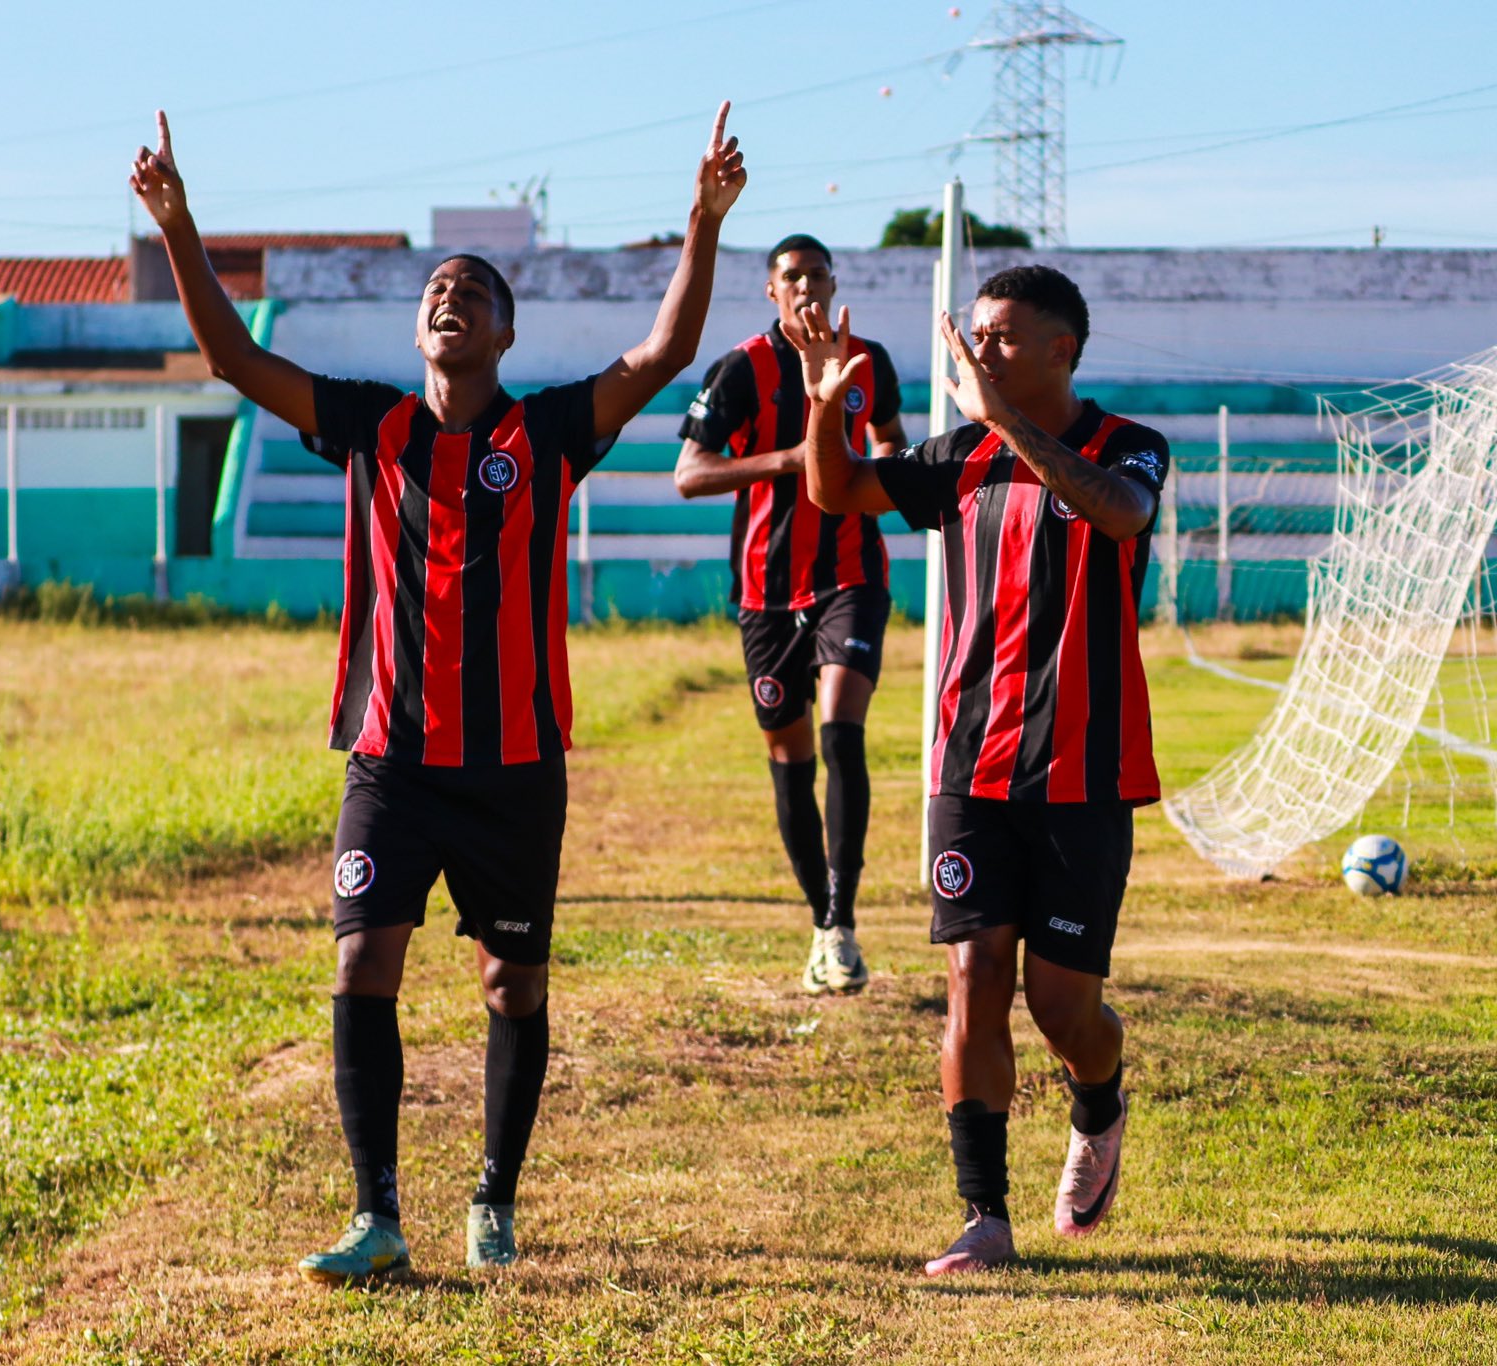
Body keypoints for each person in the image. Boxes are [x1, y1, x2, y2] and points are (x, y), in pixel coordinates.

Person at [133, 104, 743, 1283]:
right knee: (363, 963)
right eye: (436, 288)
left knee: (511, 980)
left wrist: (699, 223)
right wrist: (179, 227)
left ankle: (494, 1197)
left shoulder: (554, 428)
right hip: (392, 759)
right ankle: (377, 1215)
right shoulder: (371, 422)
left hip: (514, 764)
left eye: (473, 288)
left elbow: (662, 355)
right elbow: (230, 361)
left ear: (506, 331)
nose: (447, 295)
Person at [791, 266, 1168, 1275]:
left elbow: (1121, 515)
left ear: (1061, 350)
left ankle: (1098, 1099)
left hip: (1082, 775)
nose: (977, 350)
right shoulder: (953, 457)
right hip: (966, 766)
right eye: (976, 335)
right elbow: (832, 491)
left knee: (1062, 1010)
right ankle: (982, 1216)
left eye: (1002, 337)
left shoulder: (1125, 445)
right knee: (971, 981)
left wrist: (1002, 422)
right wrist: (823, 404)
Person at [673, 234, 904, 996]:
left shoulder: (867, 359)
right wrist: (791, 458)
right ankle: (822, 921)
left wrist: (883, 464)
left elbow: (890, 442)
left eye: (816, 275)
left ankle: (843, 918)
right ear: (771, 292)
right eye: (790, 277)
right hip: (767, 593)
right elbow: (689, 474)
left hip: (851, 577)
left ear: (835, 283)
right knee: (790, 758)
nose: (805, 287)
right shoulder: (742, 368)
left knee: (842, 731)